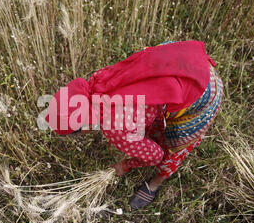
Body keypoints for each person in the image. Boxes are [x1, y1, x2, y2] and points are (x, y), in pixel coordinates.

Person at [45, 41, 223, 209]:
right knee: (151, 125)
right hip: (178, 59)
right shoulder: (97, 79)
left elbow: (155, 156)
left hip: (202, 88)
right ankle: (153, 128)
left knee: (175, 146)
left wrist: (126, 165)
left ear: (83, 126)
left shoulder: (115, 128)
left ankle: (154, 184)